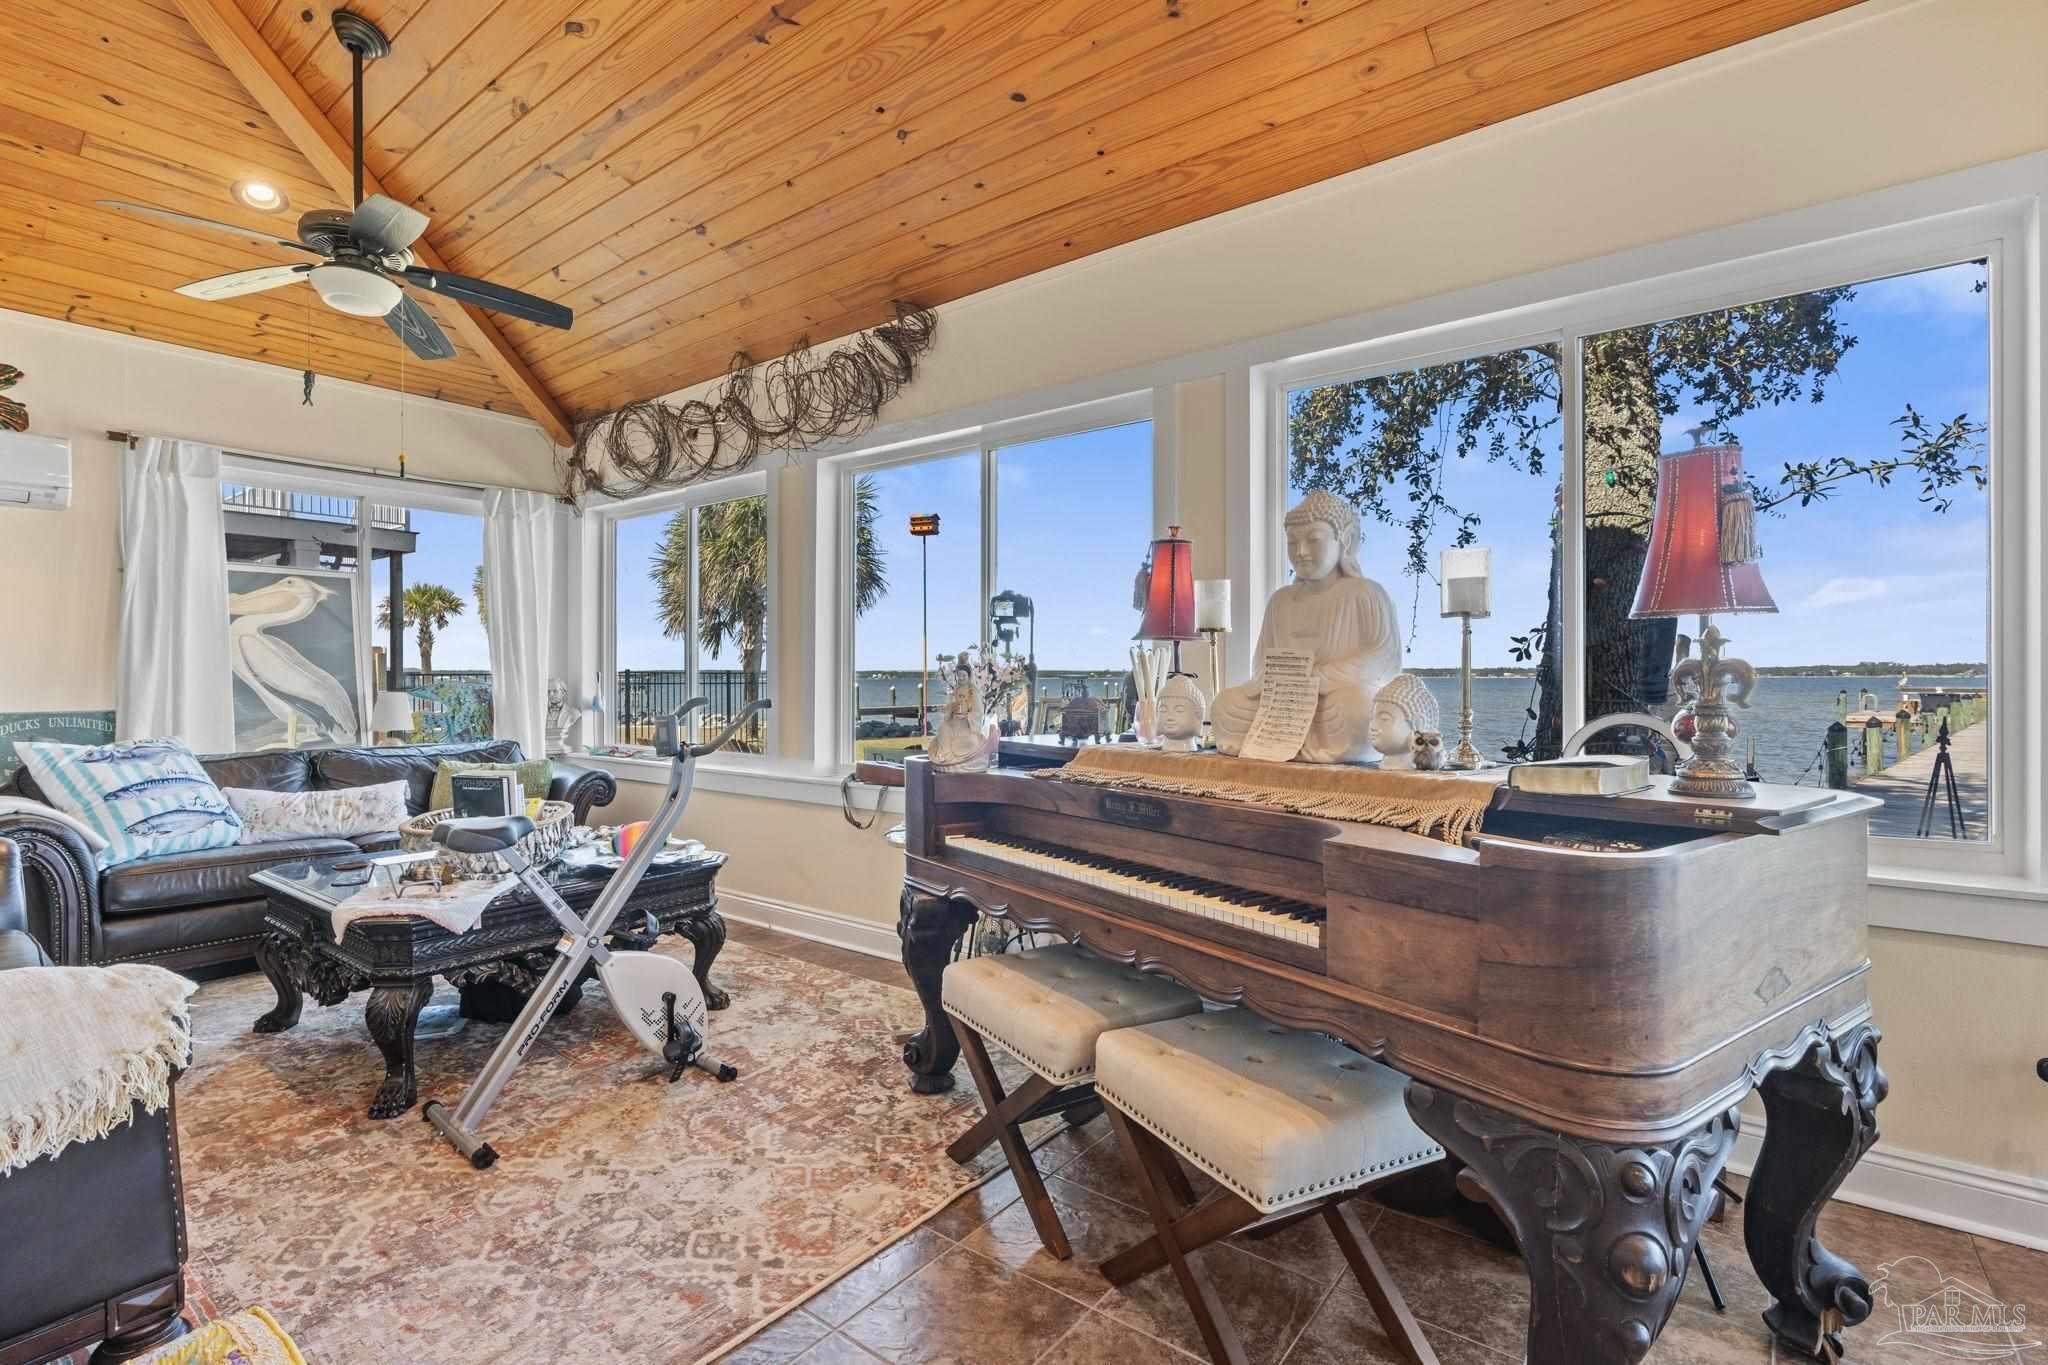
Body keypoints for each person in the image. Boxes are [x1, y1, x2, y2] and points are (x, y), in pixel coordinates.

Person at [1210, 491, 1402, 764]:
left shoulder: (1365, 593)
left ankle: (1316, 747)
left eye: (1313, 540)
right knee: (1225, 705)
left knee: (1359, 712)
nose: (1300, 552)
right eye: (1292, 543)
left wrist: (1317, 678)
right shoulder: (1281, 600)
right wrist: (1278, 680)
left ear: (1344, 541)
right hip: (1283, 705)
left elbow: (1385, 659)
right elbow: (1261, 664)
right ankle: (1279, 743)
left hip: (1334, 704)